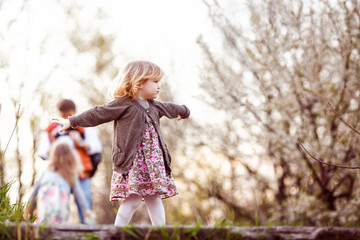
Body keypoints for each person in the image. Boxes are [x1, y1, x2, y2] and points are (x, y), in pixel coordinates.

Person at [51, 60, 190, 227]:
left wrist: (184, 111)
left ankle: (161, 233)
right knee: (133, 199)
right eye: (155, 82)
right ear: (138, 82)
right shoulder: (124, 104)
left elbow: (171, 108)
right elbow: (99, 113)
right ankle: (117, 233)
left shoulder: (155, 106)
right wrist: (72, 121)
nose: (159, 86)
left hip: (153, 165)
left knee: (154, 197)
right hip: (133, 163)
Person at [37, 99, 102, 224]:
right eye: (63, 116)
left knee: (85, 208)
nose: (66, 119)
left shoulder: (85, 127)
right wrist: (55, 143)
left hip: (81, 173)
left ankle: (89, 232)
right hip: (59, 175)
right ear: (58, 114)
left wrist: (81, 143)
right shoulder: (51, 130)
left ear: (75, 112)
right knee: (56, 208)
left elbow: (97, 147)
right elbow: (42, 153)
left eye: (69, 115)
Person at [29, 140, 92, 224]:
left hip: (45, 193)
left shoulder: (47, 171)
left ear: (53, 156)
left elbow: (35, 188)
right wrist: (86, 209)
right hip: (61, 196)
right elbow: (79, 193)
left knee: (43, 219)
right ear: (71, 157)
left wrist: (29, 205)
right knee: (61, 222)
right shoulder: (70, 173)